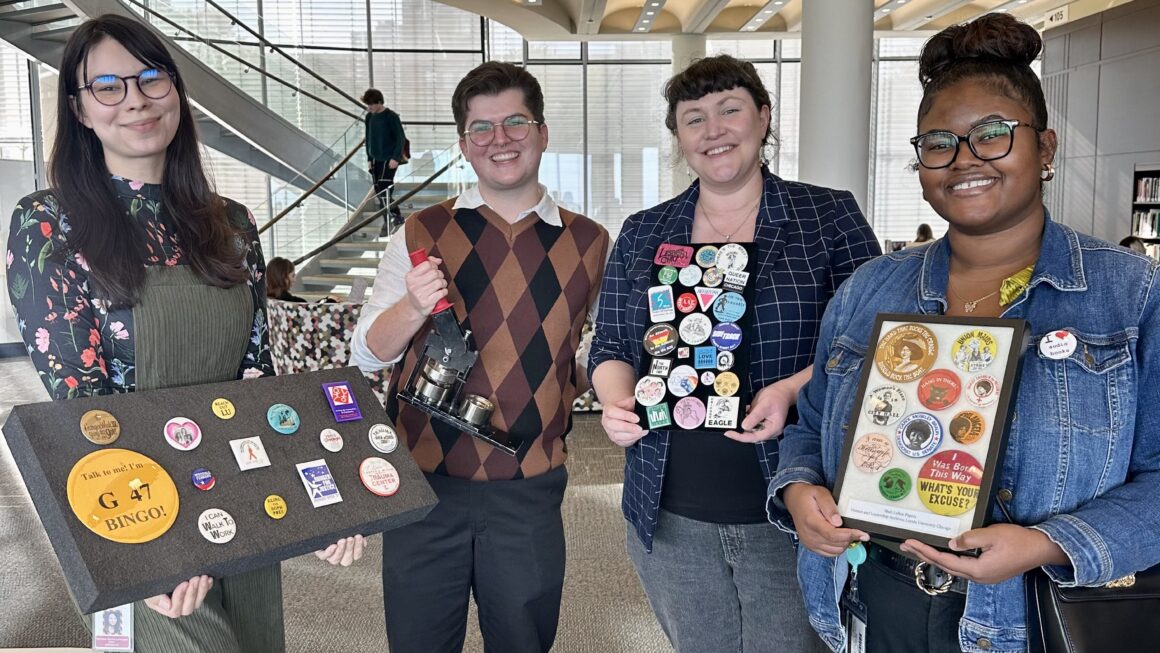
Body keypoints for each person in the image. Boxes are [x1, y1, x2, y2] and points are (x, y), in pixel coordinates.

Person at [772, 13, 1160, 652]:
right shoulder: (870, 288)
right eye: (937, 143)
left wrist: (1046, 542)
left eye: (991, 134)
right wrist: (798, 491)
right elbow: (810, 428)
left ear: (1047, 149)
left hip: (1034, 616)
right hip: (874, 603)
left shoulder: (1132, 296)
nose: (963, 159)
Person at [4, 15, 361, 652]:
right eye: (107, 86)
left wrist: (323, 504)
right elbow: (80, 413)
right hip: (141, 516)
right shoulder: (48, 224)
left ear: (177, 91)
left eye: (151, 78)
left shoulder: (233, 225)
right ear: (80, 111)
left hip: (244, 506)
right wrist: (142, 559)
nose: (135, 99)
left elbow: (260, 384)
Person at [587, 54, 880, 653]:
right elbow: (612, 344)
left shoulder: (827, 217)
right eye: (693, 119)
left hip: (792, 496)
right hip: (669, 504)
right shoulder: (646, 230)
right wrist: (616, 402)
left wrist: (795, 387)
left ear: (763, 118)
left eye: (730, 110)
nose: (713, 130)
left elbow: (875, 340)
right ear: (679, 138)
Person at [351, 62, 609, 653]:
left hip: (530, 485)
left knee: (523, 641)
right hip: (423, 485)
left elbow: (600, 354)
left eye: (515, 122)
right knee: (418, 642)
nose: (500, 140)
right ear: (464, 144)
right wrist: (414, 308)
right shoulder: (421, 230)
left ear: (542, 132)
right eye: (481, 128)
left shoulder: (591, 242)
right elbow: (367, 352)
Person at [362, 88, 407, 235]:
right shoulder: (369, 117)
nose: (369, 108)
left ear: (379, 102)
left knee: (384, 189)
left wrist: (395, 157)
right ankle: (397, 216)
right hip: (375, 159)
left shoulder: (391, 117)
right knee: (378, 190)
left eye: (371, 105)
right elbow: (368, 138)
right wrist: (369, 158)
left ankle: (389, 221)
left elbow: (400, 138)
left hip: (389, 159)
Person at [264, 256, 337, 303]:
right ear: (283, 278)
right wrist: (330, 301)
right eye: (292, 276)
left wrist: (325, 299)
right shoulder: (288, 301)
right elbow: (310, 313)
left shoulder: (268, 298)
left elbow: (308, 307)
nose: (295, 280)